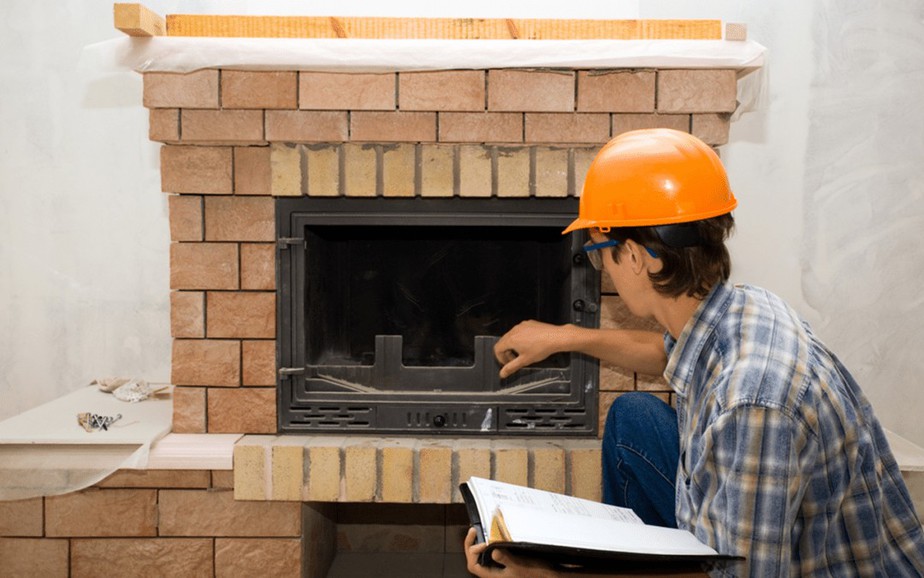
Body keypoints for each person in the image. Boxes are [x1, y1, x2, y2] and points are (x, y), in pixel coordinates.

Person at [464, 128, 924, 577]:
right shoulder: (743, 307)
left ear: (637, 256)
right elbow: (669, 354)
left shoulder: (753, 405)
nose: (600, 265)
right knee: (634, 417)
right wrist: (565, 337)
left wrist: (545, 575)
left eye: (599, 251)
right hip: (785, 533)